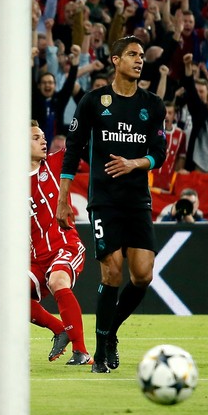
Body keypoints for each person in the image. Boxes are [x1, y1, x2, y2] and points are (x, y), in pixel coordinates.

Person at [57, 36, 167, 374]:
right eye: (132, 55)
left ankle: (111, 331)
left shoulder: (153, 105)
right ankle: (101, 351)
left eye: (141, 56)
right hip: (104, 200)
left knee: (143, 275)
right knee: (112, 272)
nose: (139, 60)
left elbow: (159, 153)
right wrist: (63, 199)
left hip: (137, 200)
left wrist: (136, 163)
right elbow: (73, 150)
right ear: (115, 60)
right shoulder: (93, 102)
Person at [29, 121, 90, 365]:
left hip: (65, 246)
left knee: (58, 280)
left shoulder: (55, 163)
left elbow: (79, 140)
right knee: (7, 295)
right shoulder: (9, 183)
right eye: (36, 138)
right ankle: (60, 329)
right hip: (35, 256)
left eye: (43, 136)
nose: (44, 140)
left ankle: (82, 351)